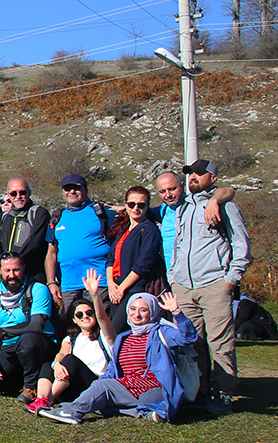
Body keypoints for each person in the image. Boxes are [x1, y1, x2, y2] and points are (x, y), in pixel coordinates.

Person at [39, 291, 198, 425]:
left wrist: (176, 312)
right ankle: (145, 412)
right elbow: (114, 368)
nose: (137, 314)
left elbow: (188, 337)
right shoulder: (124, 337)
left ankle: (72, 412)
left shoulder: (161, 333)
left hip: (154, 387)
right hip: (128, 386)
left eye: (143, 310)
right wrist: (99, 384)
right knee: (98, 399)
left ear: (152, 311)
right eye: (133, 309)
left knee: (102, 390)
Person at [169, 159, 250, 409]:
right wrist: (173, 276)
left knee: (220, 342)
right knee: (193, 343)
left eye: (199, 174)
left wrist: (230, 279)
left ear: (213, 178)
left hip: (215, 283)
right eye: (190, 173)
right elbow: (179, 245)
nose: (193, 177)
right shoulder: (183, 208)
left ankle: (224, 391)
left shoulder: (226, 207)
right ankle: (199, 390)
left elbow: (241, 244)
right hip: (184, 286)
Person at [23, 269, 114, 413]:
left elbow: (103, 318)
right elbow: (60, 354)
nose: (85, 316)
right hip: (71, 387)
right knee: (48, 365)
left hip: (94, 387)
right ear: (74, 320)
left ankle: (47, 402)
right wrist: (56, 364)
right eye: (79, 314)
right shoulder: (71, 339)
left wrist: (94, 295)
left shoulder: (105, 336)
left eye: (89, 313)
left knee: (71, 360)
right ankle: (41, 399)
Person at [0, 253, 54, 400]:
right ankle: (21, 381)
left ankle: (31, 388)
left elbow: (36, 325)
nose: (12, 275)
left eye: (16, 270)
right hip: (9, 347)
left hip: (39, 344)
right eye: (7, 271)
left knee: (28, 340)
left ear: (23, 268)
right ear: (0, 271)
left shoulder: (38, 289)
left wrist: (1, 333)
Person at [44, 173, 113, 323]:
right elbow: (51, 253)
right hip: (69, 284)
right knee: (71, 325)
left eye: (76, 188)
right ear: (63, 192)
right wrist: (51, 282)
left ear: (86, 190)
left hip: (99, 282)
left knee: (100, 322)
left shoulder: (101, 212)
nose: (72, 192)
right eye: (67, 189)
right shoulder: (57, 217)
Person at [105, 185, 162, 332]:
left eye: (141, 205)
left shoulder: (149, 229)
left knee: (114, 331)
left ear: (148, 206)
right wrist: (111, 285)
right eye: (132, 204)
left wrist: (122, 288)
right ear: (126, 205)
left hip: (134, 290)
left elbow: (143, 264)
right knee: (118, 335)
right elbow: (111, 258)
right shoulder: (123, 229)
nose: (136, 208)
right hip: (116, 288)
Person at [0, 178, 51, 282]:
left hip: (32, 274)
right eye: (14, 193)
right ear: (8, 195)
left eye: (22, 192)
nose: (18, 196)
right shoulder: (4, 216)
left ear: (29, 193)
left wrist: (12, 261)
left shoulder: (38, 213)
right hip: (8, 275)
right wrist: (0, 260)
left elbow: (35, 242)